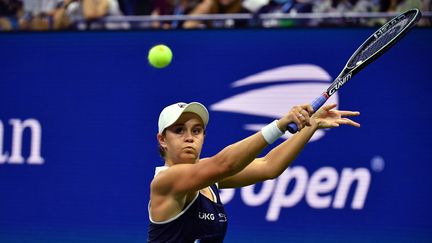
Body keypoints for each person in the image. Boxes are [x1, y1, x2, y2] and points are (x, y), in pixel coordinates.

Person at [148, 101, 360, 242]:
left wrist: (310, 126)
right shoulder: (165, 181)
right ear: (162, 140)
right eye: (179, 130)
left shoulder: (208, 179)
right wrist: (280, 125)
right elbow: (225, 164)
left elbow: (269, 166)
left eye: (196, 130)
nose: (189, 137)